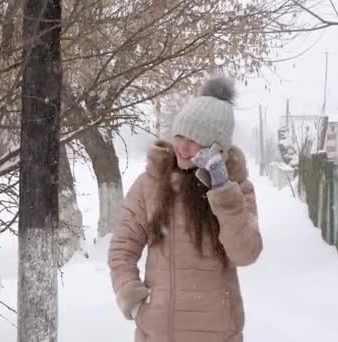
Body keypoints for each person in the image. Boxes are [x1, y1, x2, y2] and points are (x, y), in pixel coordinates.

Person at [108, 77, 263, 342]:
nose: (183, 146)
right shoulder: (151, 183)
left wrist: (222, 189)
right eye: (180, 136)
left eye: (195, 140)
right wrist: (133, 299)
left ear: (218, 148)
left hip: (217, 331)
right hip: (159, 332)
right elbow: (122, 248)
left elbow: (246, 253)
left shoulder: (236, 189)